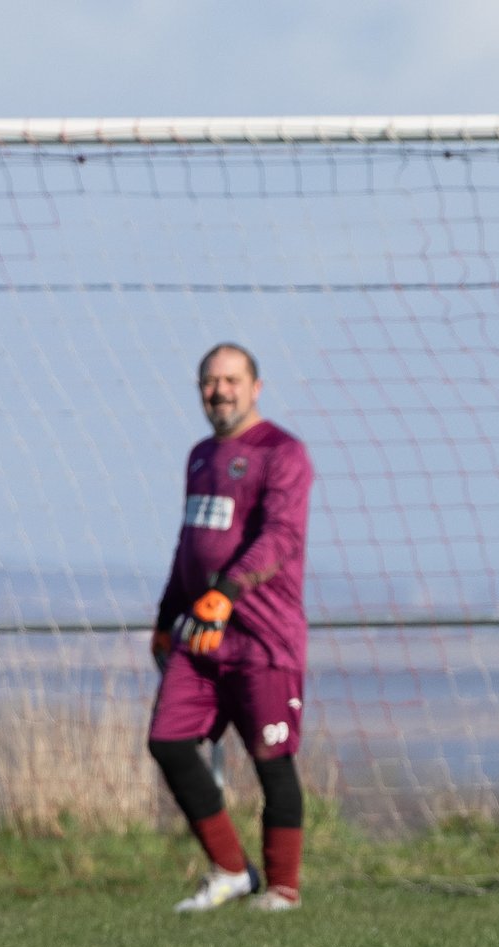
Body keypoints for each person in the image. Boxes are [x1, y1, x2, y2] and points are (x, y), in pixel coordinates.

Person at [147, 343, 315, 912]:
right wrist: (169, 616)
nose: (219, 391)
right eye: (209, 382)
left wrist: (226, 593)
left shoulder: (283, 452)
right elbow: (188, 544)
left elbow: (281, 538)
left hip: (262, 635)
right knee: (167, 740)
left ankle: (283, 890)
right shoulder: (199, 455)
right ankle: (228, 870)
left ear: (256, 386)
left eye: (230, 380)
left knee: (272, 761)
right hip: (200, 635)